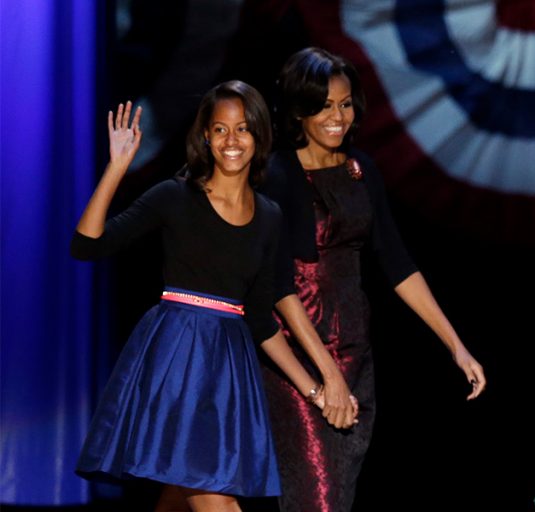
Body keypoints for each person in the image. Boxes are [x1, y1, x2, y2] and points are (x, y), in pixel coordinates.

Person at [72, 81, 350, 511]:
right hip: (177, 363)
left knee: (183, 492)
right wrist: (117, 167)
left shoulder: (269, 218)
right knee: (213, 498)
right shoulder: (174, 197)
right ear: (205, 136)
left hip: (226, 374)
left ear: (258, 135)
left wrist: (315, 389)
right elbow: (87, 246)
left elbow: (261, 318)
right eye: (220, 130)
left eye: (242, 129)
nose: (231, 140)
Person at [258, 47, 487, 511]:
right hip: (300, 354)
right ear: (300, 111)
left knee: (338, 495)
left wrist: (455, 345)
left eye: (344, 104)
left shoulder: (360, 169)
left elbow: (398, 263)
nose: (337, 116)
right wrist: (326, 377)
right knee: (313, 497)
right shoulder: (279, 175)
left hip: (355, 351)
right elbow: (277, 287)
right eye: (324, 106)